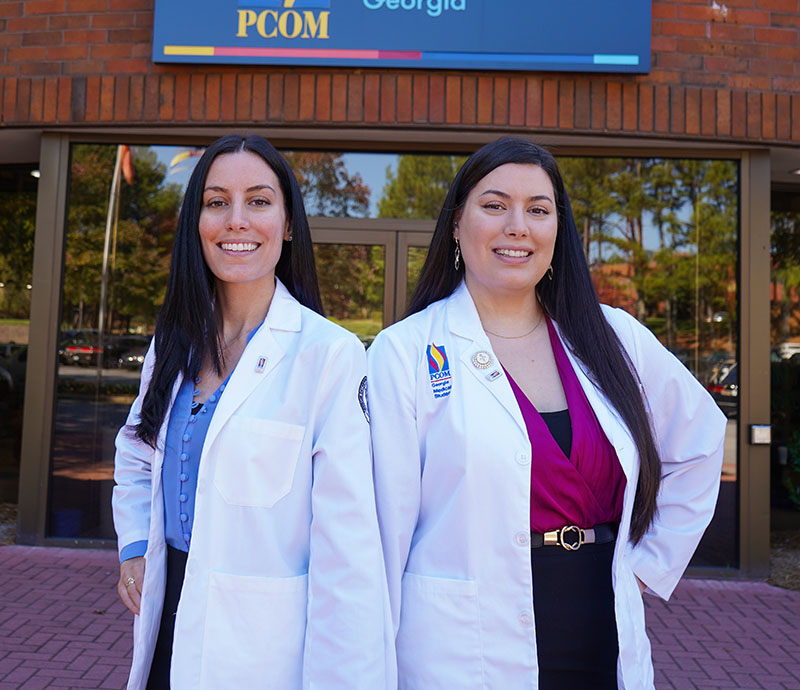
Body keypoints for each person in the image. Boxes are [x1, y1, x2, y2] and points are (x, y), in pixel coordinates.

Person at [367, 136, 726, 690]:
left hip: (599, 625)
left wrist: (648, 567)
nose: (518, 226)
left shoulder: (613, 336)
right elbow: (382, 530)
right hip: (462, 642)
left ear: (558, 232)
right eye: (494, 205)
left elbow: (701, 439)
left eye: (538, 209)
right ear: (457, 225)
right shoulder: (404, 351)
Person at [112, 134, 391, 690]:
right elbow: (137, 453)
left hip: (267, 651)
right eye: (217, 202)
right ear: (198, 222)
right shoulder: (174, 342)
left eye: (259, 201)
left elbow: (349, 550)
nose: (236, 220)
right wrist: (137, 548)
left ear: (288, 225)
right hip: (169, 621)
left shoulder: (329, 355)